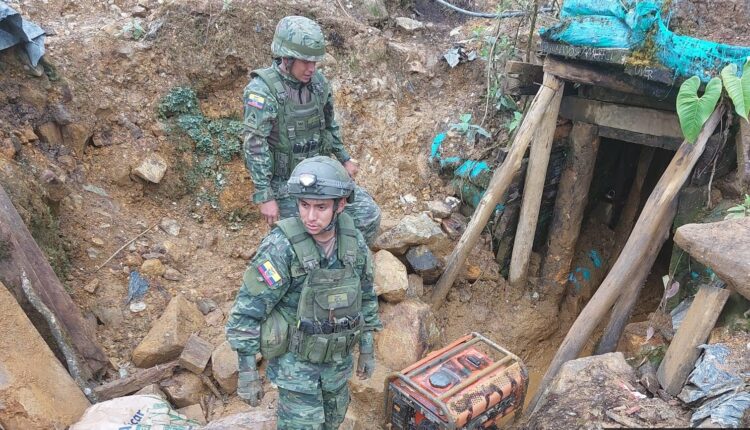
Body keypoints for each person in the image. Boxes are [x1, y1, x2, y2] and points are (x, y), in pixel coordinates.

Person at [226, 156, 382, 429]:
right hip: (296, 370)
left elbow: (366, 297)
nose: (310, 216)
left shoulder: (353, 243)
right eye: (304, 205)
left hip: (337, 366)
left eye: (321, 207)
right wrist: (248, 372)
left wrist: (367, 348)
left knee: (333, 422)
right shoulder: (281, 247)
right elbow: (247, 312)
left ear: (340, 204)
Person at [243, 15, 381, 244]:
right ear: (286, 58)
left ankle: (343, 264)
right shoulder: (261, 91)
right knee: (302, 237)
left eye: (314, 62)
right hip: (286, 184)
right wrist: (264, 196)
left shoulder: (318, 84)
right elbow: (254, 146)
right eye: (305, 61)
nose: (311, 68)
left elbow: (329, 125)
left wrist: (344, 158)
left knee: (368, 216)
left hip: (323, 176)